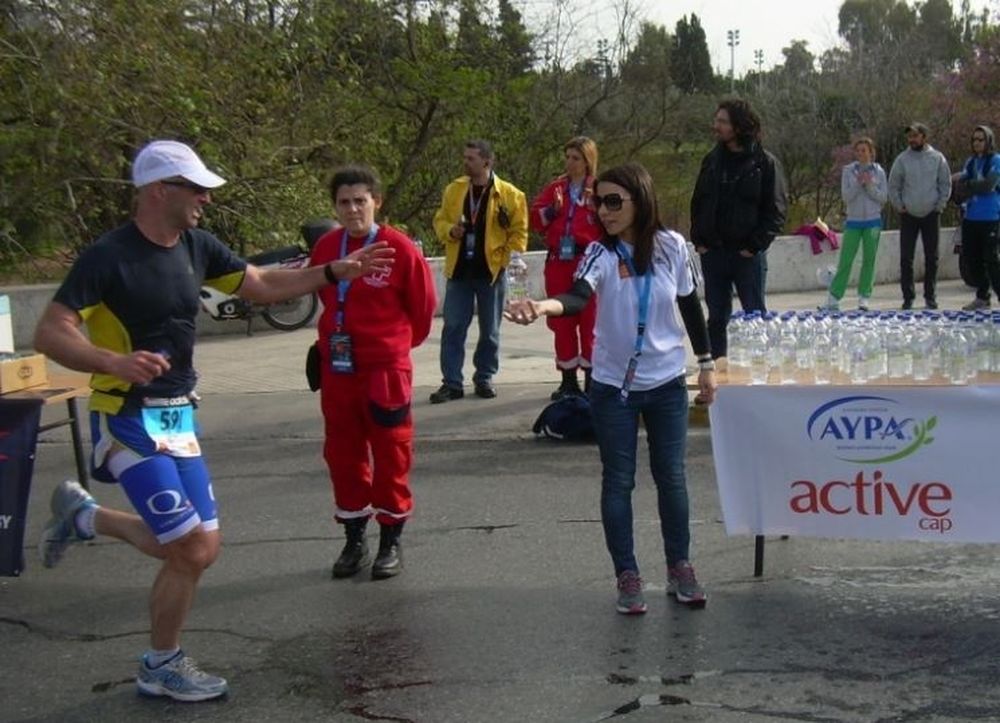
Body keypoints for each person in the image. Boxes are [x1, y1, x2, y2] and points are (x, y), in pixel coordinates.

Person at [32, 140, 393, 702]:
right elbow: (51, 331)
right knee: (191, 550)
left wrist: (332, 272)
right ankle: (161, 663)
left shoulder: (197, 245)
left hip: (178, 418)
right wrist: (114, 363)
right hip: (125, 417)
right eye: (195, 188)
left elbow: (261, 284)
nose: (204, 197)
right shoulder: (109, 257)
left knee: (204, 545)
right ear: (159, 191)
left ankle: (86, 517)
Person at [506, 162, 717, 614]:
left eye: (613, 201)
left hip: (665, 383)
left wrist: (706, 365)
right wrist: (543, 306)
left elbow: (690, 308)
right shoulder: (599, 254)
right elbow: (578, 296)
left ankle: (680, 565)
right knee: (619, 480)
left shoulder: (672, 247)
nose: (604, 210)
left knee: (671, 477)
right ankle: (627, 573)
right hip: (612, 388)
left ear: (641, 199)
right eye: (597, 202)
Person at [310, 166, 436, 580]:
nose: (352, 210)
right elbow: (321, 293)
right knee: (343, 456)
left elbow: (422, 311)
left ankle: (390, 541)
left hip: (384, 370)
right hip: (338, 370)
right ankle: (353, 539)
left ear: (376, 203)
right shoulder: (328, 247)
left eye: (360, 201)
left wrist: (391, 346)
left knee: (391, 454)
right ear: (335, 207)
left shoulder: (398, 248)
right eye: (344, 202)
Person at [430, 140, 528, 403]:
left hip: (491, 272)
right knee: (453, 327)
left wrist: (505, 260)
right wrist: (450, 230)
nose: (466, 162)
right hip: (460, 271)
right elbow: (439, 219)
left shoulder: (510, 194)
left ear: (487, 162)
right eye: (465, 157)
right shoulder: (455, 189)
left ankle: (484, 377)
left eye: (471, 158)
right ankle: (451, 383)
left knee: (490, 330)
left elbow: (519, 235)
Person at [690, 98, 787, 361]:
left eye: (722, 121)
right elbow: (698, 202)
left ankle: (762, 372)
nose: (716, 126)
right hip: (714, 254)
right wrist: (699, 240)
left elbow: (776, 211)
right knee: (716, 319)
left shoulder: (765, 164)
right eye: (716, 120)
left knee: (754, 316)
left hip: (748, 257)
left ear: (738, 126)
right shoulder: (711, 161)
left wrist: (754, 246)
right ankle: (715, 376)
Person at [529, 137, 603, 400]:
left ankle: (594, 381)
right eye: (567, 157)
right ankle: (568, 380)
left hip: (588, 262)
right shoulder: (555, 188)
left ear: (587, 161)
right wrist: (553, 210)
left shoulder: (599, 189)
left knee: (590, 322)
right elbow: (535, 220)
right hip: (559, 261)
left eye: (576, 158)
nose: (569, 163)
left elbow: (613, 223)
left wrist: (596, 207)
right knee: (562, 323)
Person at [887, 122, 952, 310]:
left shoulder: (937, 158)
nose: (912, 140)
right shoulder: (902, 160)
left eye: (915, 136)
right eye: (909, 137)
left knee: (932, 257)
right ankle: (908, 297)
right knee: (906, 257)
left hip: (931, 214)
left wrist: (940, 206)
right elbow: (894, 185)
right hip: (909, 215)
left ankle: (930, 296)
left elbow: (945, 184)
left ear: (924, 136)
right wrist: (899, 206)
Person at [820, 137, 888, 311]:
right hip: (853, 221)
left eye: (864, 150)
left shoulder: (879, 171)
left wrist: (870, 186)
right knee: (846, 259)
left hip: (872, 221)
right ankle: (834, 296)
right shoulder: (849, 171)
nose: (860, 154)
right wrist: (859, 184)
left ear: (871, 152)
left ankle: (864, 297)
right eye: (858, 151)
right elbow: (846, 197)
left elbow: (883, 197)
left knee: (869, 260)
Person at [955, 125, 1000, 310]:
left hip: (990, 216)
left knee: (991, 259)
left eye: (981, 139)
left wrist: (969, 185)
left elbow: (989, 185)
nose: (977, 143)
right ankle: (982, 296)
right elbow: (960, 183)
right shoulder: (971, 162)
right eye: (974, 140)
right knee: (971, 258)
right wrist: (970, 185)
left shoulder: (995, 160)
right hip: (971, 217)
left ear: (988, 141)